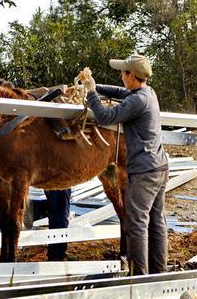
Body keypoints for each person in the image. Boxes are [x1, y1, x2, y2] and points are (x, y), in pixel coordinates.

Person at [80, 54, 169, 276]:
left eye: (123, 72)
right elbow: (120, 93)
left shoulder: (136, 101)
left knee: (136, 224)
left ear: (131, 76)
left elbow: (105, 116)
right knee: (156, 222)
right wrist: (95, 85)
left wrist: (91, 93)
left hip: (144, 172)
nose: (120, 75)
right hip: (159, 166)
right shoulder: (147, 92)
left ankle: (139, 277)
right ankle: (159, 272)